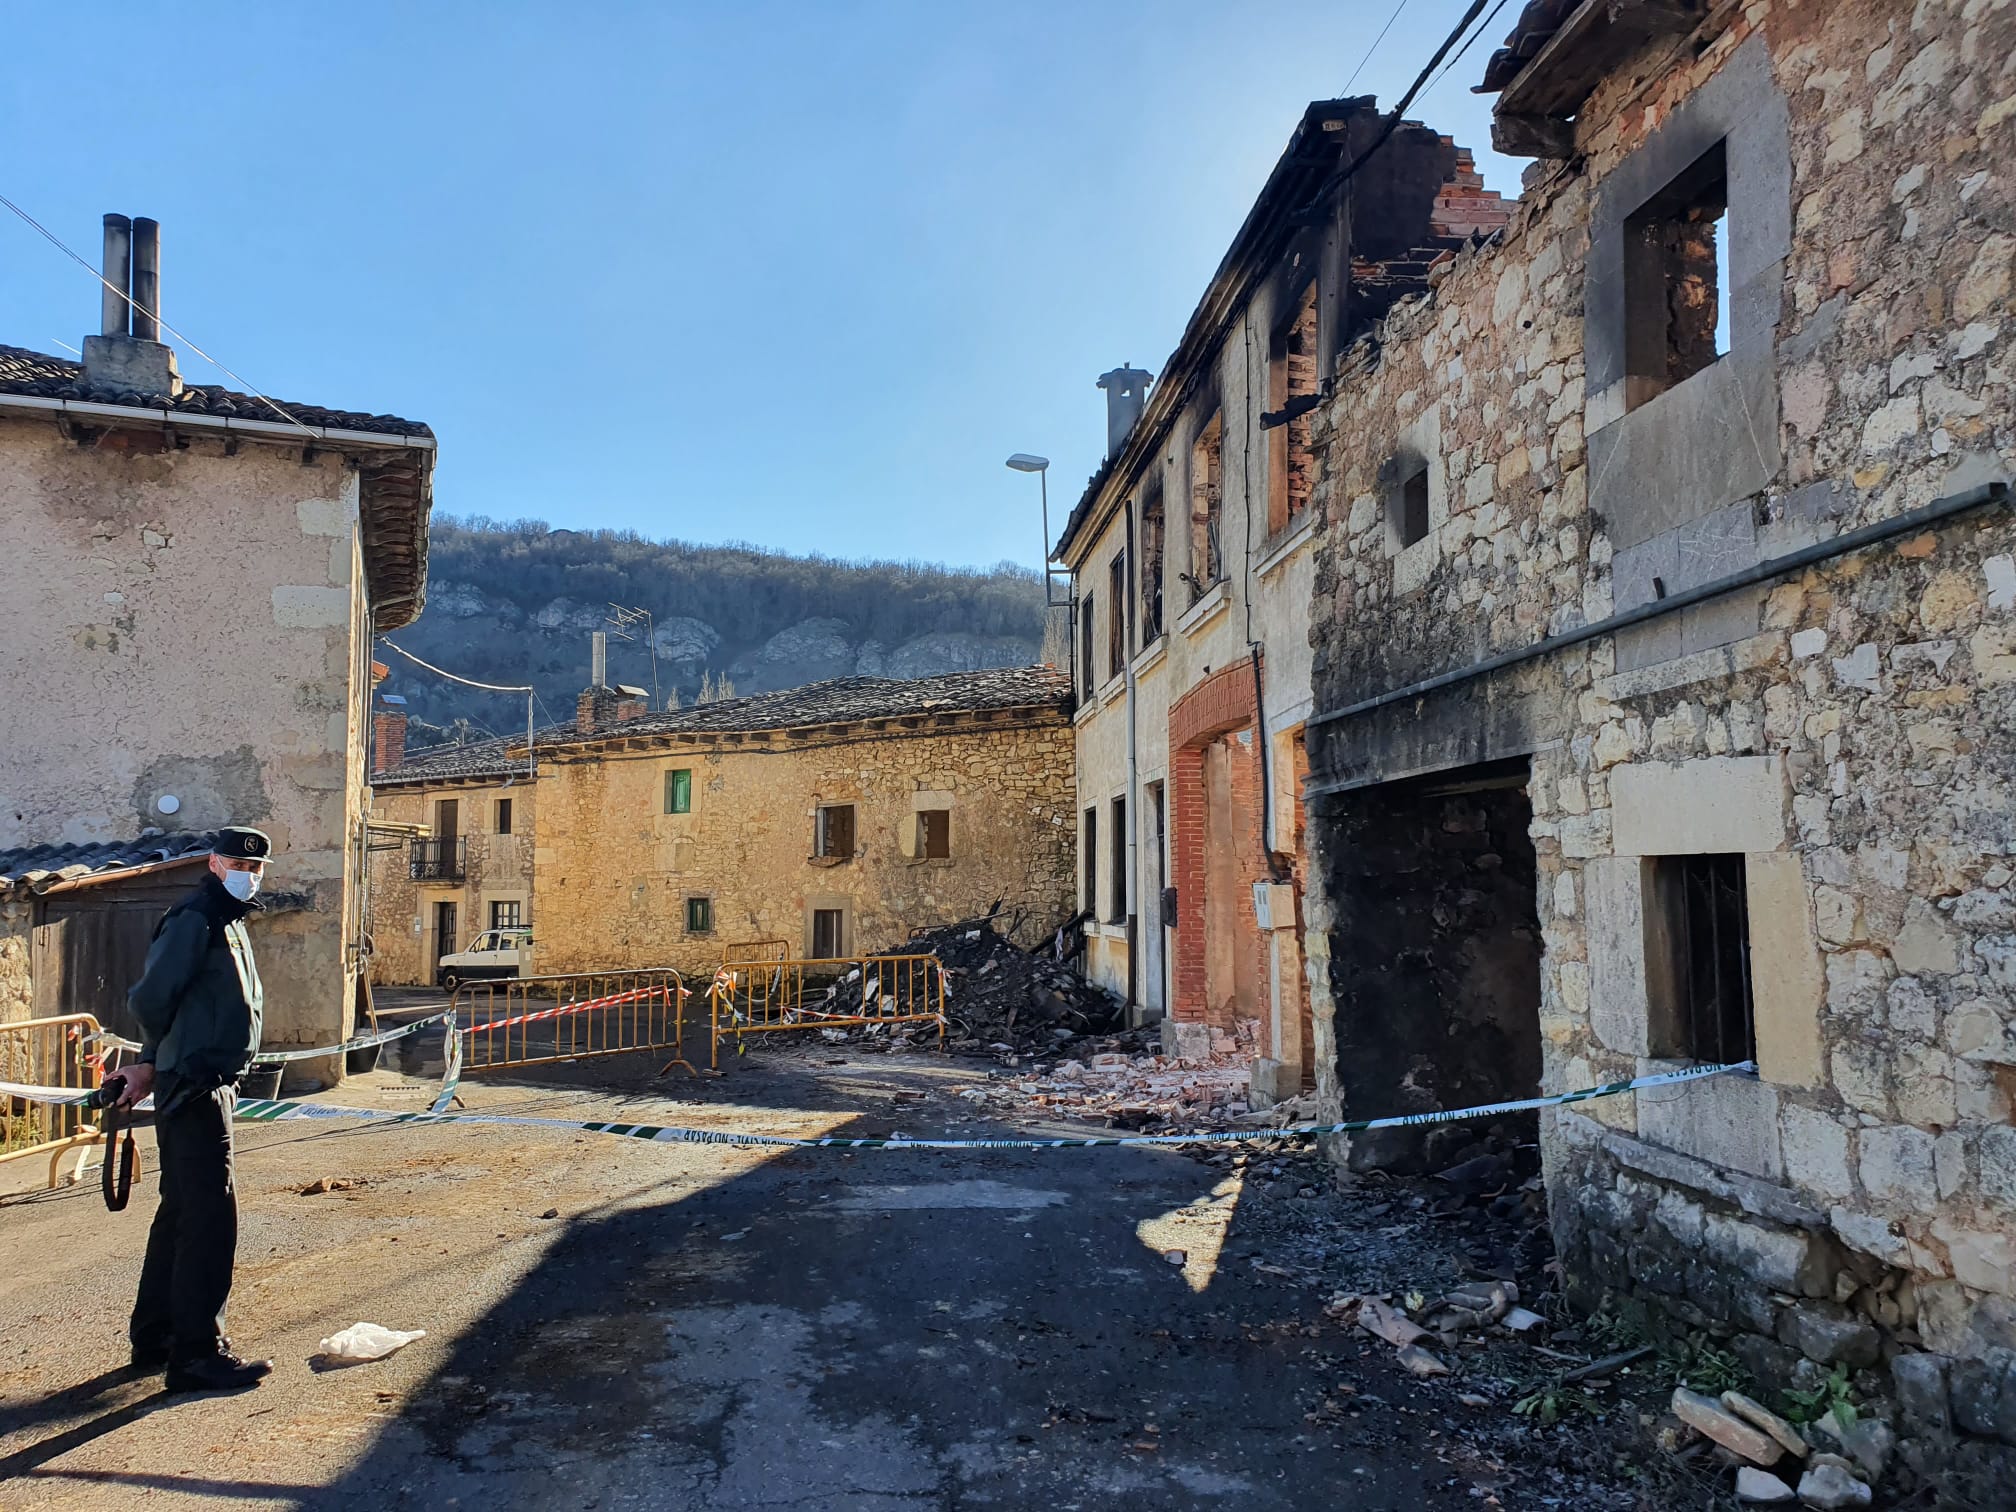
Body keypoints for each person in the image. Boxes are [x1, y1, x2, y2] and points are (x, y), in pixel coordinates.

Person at [114, 826, 277, 1393]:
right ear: (213, 863)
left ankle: (157, 1335)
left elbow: (188, 1005)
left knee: (182, 1212)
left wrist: (150, 1061)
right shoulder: (197, 918)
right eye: (238, 863)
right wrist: (152, 1060)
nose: (248, 874)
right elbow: (152, 998)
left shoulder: (229, 919)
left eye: (256, 867)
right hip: (197, 1087)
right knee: (209, 1219)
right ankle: (197, 1353)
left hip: (202, 1080)